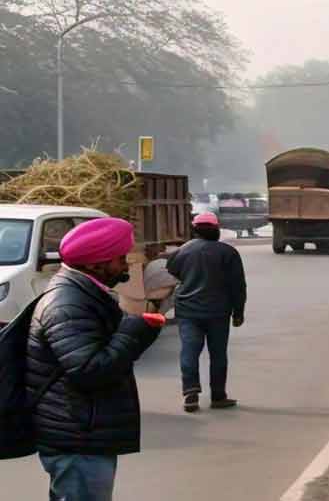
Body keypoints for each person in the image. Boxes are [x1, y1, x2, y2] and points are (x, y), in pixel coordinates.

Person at [25, 218, 165, 501]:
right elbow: (89, 370)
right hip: (77, 439)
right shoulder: (68, 303)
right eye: (120, 259)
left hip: (81, 433)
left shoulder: (83, 293)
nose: (126, 266)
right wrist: (132, 332)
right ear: (94, 264)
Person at [167, 212, 247, 413]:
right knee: (218, 354)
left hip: (188, 310)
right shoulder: (228, 253)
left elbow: (173, 271)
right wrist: (238, 312)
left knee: (189, 350)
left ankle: (190, 392)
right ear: (217, 230)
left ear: (194, 230)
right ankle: (218, 396)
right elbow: (238, 286)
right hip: (218, 311)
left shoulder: (182, 251)